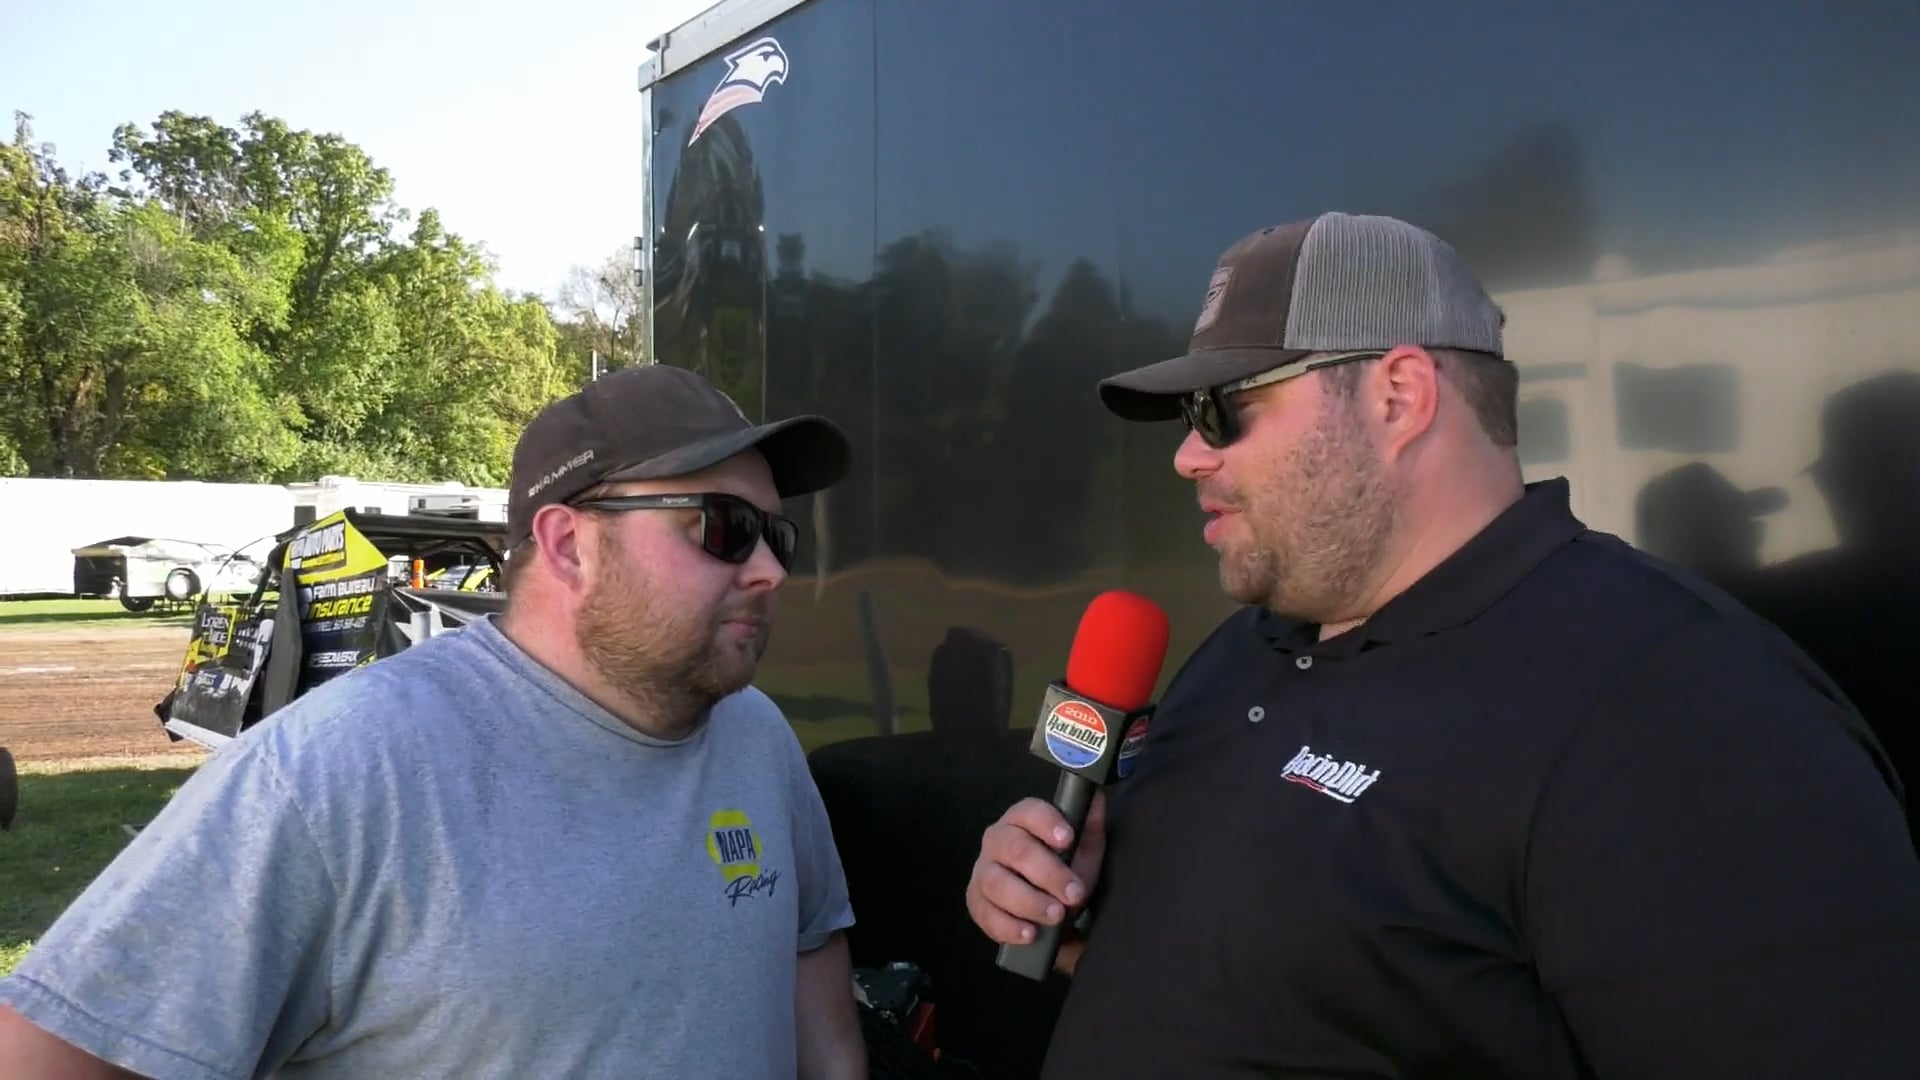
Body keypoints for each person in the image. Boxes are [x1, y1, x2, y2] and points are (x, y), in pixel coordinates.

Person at [965, 211, 1920, 1078]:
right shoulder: (1241, 650)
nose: (1187, 455)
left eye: (1222, 408)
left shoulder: (1680, 710)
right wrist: (1087, 916)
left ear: (1399, 395)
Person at [0, 364, 869, 1079]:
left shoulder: (757, 736)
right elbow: (49, 1057)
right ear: (569, 544)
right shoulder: (336, 770)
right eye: (725, 527)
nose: (770, 569)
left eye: (777, 536)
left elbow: (813, 981)